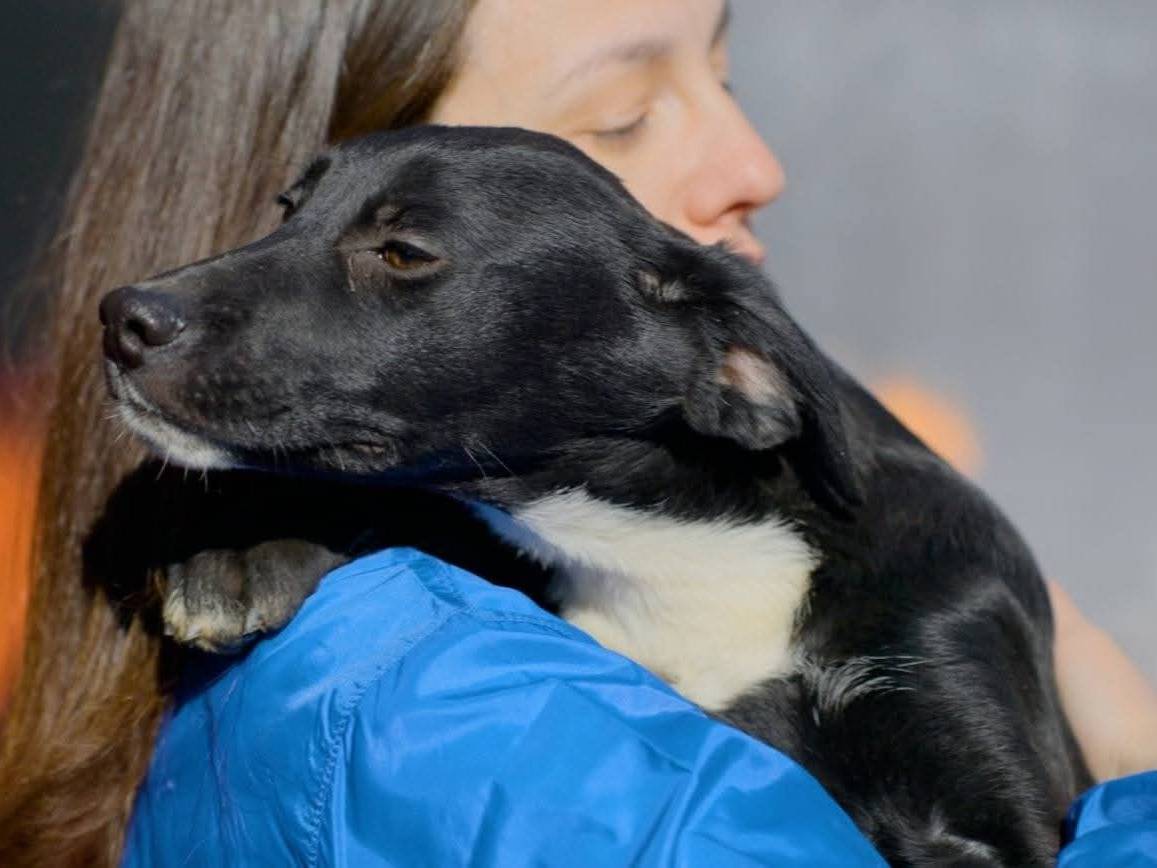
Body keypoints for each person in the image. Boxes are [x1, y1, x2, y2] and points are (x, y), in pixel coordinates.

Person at [1, 1, 1153, 865]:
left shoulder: (891, 552)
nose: (758, 166)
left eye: (725, 72)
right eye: (620, 115)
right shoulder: (430, 701)